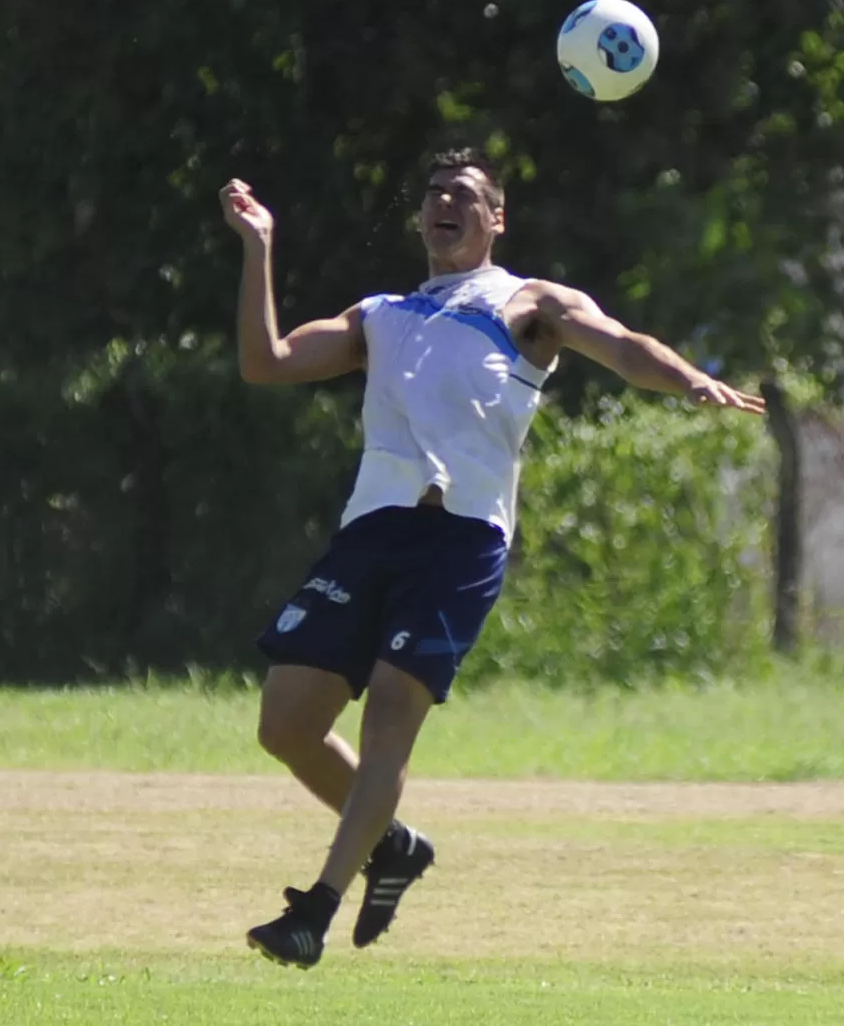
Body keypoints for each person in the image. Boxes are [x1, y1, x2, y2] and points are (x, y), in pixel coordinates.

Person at [219, 148, 765, 969]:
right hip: (371, 533)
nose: (446, 203)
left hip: (462, 539)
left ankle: (317, 911)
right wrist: (259, 249)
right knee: (286, 724)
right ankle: (393, 845)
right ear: (420, 217)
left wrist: (689, 380)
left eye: (466, 196)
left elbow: (621, 345)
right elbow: (265, 363)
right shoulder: (382, 315)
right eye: (435, 193)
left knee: (389, 721)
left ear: (496, 218)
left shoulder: (526, 303)